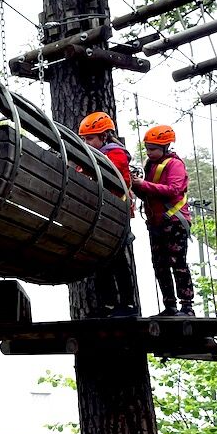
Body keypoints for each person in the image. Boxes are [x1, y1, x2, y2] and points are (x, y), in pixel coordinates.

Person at [77, 112, 138, 316]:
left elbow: (112, 175)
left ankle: (128, 304)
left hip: (116, 215)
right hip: (102, 215)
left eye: (90, 138)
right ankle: (109, 304)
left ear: (104, 137)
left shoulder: (116, 154)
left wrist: (86, 170)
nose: (86, 142)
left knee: (118, 260)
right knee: (100, 260)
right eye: (84, 139)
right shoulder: (91, 155)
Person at [131, 125, 195, 316]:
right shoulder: (150, 165)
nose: (149, 152)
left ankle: (187, 306)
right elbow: (148, 195)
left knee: (178, 263)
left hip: (174, 221)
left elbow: (173, 190)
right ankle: (170, 306)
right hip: (156, 223)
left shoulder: (174, 164)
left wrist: (143, 184)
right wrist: (136, 186)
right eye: (147, 148)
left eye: (153, 149)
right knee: (160, 265)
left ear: (166, 147)